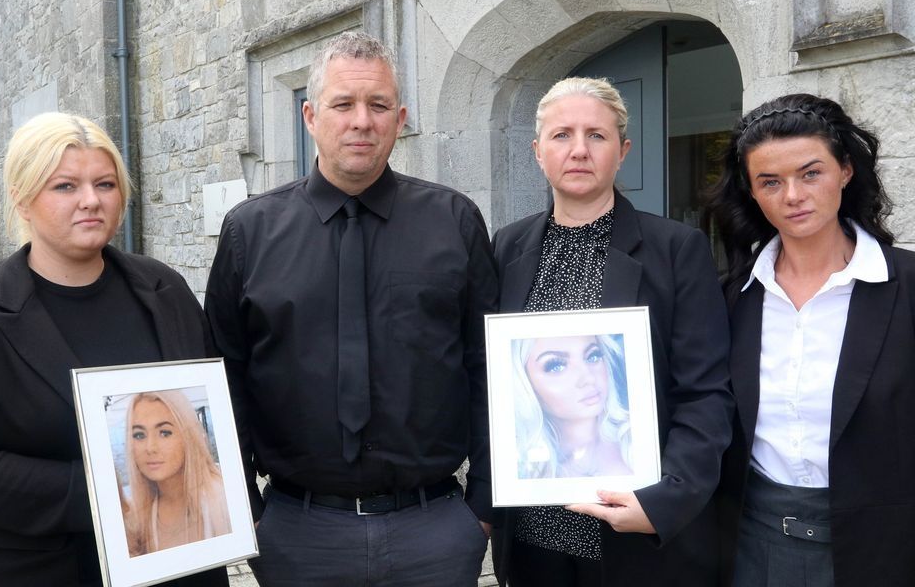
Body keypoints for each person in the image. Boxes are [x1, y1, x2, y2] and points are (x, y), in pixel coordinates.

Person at [204, 31, 498, 586]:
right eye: (343, 104)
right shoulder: (250, 232)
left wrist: (480, 509)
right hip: (295, 531)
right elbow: (224, 378)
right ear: (311, 115)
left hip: (434, 529)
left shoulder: (454, 222)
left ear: (400, 117)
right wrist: (248, 509)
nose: (361, 120)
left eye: (378, 104)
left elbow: (487, 368)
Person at [0, 112, 228, 586]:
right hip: (32, 567)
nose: (90, 201)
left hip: (173, 565)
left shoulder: (166, 290)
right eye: (65, 187)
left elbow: (217, 416)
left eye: (105, 184)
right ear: (21, 199)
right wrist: (103, 494)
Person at [491, 77, 733, 586]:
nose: (579, 150)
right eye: (562, 135)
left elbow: (706, 392)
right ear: (537, 152)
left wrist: (665, 501)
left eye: (597, 136)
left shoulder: (676, 249)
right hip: (536, 540)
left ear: (622, 151)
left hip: (638, 539)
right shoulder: (506, 248)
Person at [704, 93, 915, 587]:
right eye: (770, 182)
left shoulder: (908, 287)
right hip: (748, 545)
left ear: (845, 171)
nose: (793, 195)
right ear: (752, 192)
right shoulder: (730, 298)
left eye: (810, 173)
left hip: (884, 547)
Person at [123, 390, 231, 557]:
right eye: (139, 435)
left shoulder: (222, 499)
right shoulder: (140, 515)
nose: (150, 447)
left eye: (165, 433)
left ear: (189, 436)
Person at [512, 334, 631, 479]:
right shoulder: (524, 473)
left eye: (593, 356)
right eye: (556, 366)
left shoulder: (637, 438)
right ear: (525, 384)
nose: (588, 378)